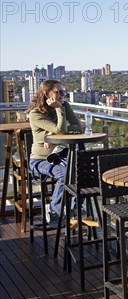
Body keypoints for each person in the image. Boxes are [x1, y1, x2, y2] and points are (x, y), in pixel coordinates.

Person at [27, 80, 81, 228]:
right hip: (40, 160)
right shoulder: (35, 114)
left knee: (81, 170)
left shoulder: (65, 105)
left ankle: (73, 210)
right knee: (64, 174)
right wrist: (59, 110)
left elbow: (78, 127)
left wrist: (53, 133)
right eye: (58, 92)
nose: (62, 95)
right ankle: (54, 211)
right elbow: (63, 130)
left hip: (61, 156)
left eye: (63, 92)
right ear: (47, 94)